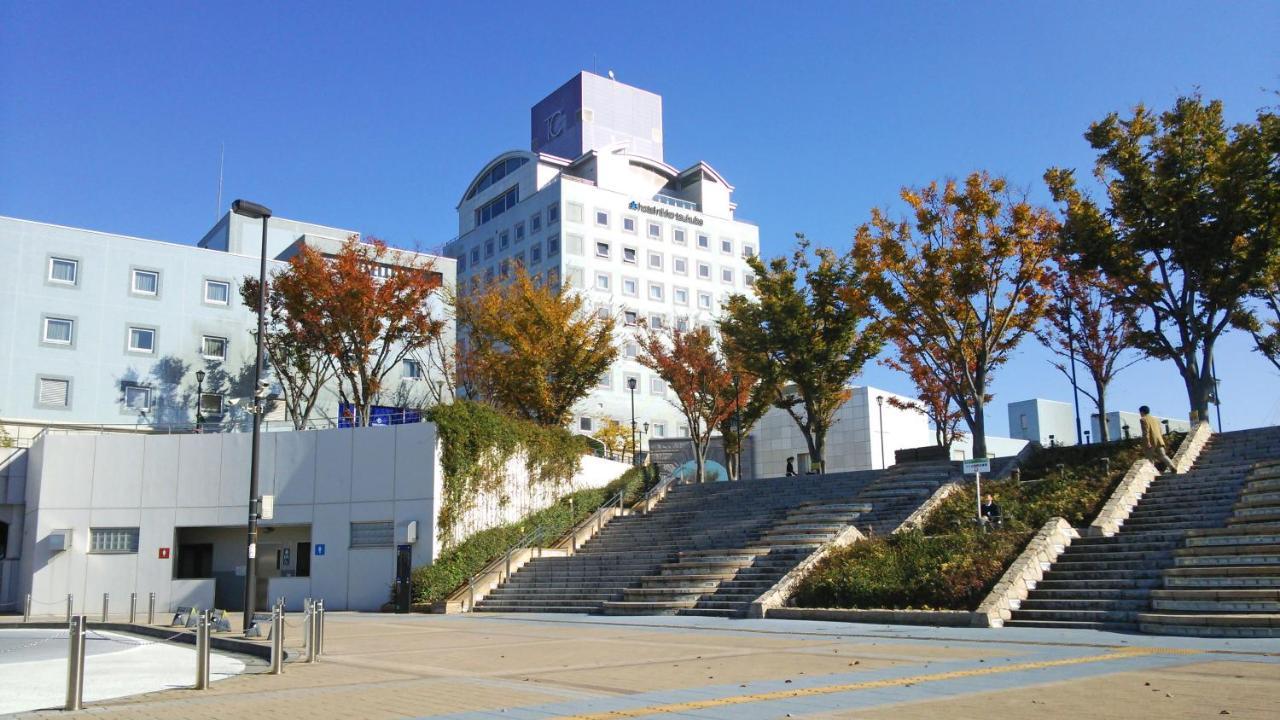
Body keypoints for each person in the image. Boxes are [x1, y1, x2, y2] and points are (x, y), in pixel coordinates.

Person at [1139, 405, 1176, 474]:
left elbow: (1145, 432)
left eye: (1140, 412)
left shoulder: (1143, 419)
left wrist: (1147, 442)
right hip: (1159, 441)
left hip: (1150, 442)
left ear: (1142, 412)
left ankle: (1152, 473)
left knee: (1150, 459)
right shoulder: (1155, 420)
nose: (1140, 414)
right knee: (1163, 456)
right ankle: (1172, 467)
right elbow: (1160, 431)